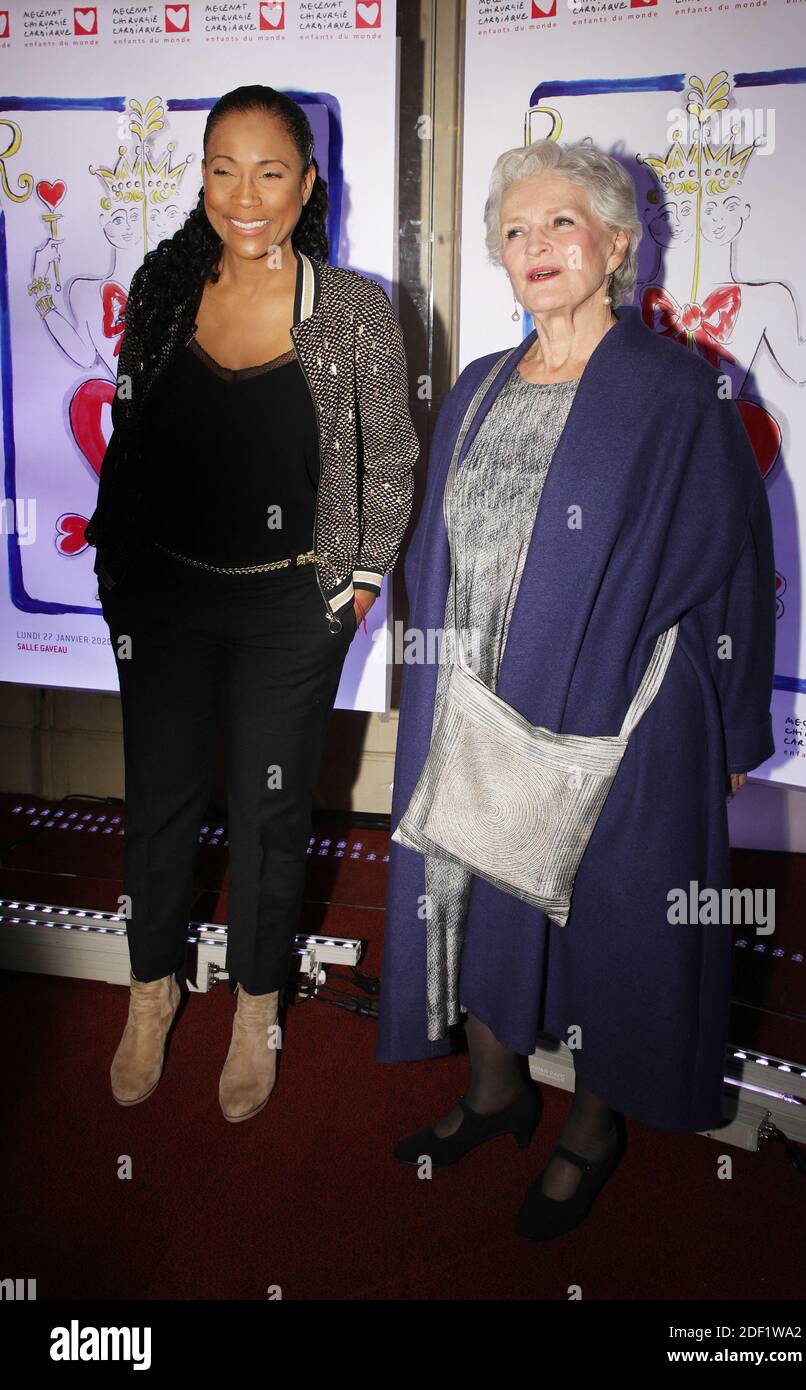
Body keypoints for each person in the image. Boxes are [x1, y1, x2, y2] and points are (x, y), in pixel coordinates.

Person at [376, 138, 776, 1240]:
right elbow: (439, 551)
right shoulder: (478, 385)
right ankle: (499, 1092)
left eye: (561, 225)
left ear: (613, 246)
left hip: (627, 707)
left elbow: (737, 557)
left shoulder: (676, 386)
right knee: (469, 891)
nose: (535, 246)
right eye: (515, 230)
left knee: (614, 919)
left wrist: (735, 723)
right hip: (478, 695)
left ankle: (594, 1127)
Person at [85, 84, 418, 1122]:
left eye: (270, 169)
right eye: (223, 167)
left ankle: (256, 1008)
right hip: (168, 602)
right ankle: (152, 994)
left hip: (290, 614)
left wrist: (355, 590)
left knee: (272, 819)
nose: (244, 192)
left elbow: (392, 464)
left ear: (307, 183)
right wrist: (120, 577)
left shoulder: (356, 308)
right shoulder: (166, 285)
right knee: (159, 806)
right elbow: (132, 443)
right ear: (201, 177)